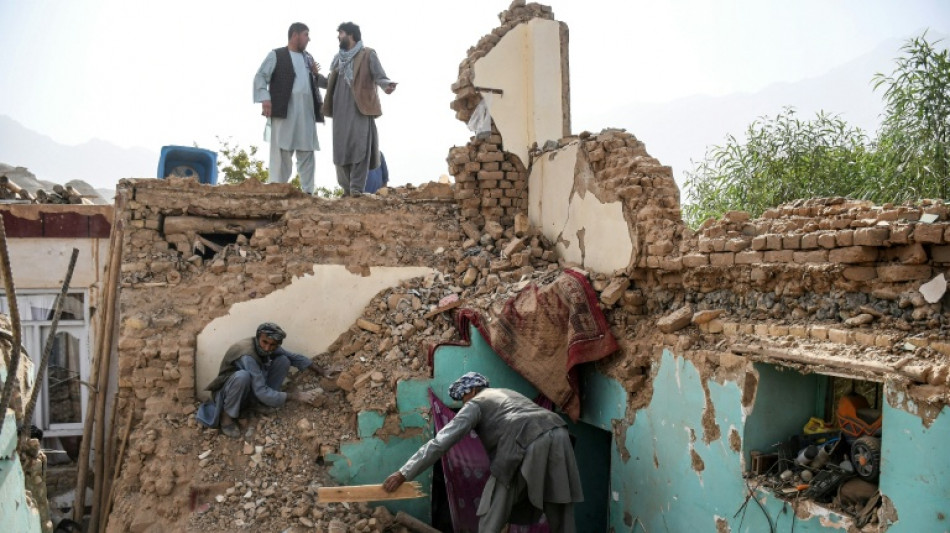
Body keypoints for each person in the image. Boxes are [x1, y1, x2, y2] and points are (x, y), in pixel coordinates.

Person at [383, 372, 583, 532]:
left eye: (463, 398)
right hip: (559, 433)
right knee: (560, 510)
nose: (463, 403)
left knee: (492, 508)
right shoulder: (507, 393)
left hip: (524, 440)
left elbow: (440, 443)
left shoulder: (476, 403)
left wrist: (404, 473)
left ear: (472, 391)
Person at [196, 323, 327, 438]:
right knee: (243, 377)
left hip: (251, 389)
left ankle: (262, 404)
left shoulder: (271, 346)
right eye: (265, 342)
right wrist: (296, 396)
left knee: (283, 360)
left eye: (272, 345)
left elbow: (293, 357)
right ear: (258, 337)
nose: (267, 348)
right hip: (229, 392)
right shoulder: (248, 355)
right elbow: (261, 390)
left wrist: (322, 371)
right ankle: (226, 417)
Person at [323, 22, 397, 197]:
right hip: (340, 109)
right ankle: (346, 189)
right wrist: (313, 76)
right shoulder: (337, 59)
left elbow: (380, 76)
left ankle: (356, 190)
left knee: (359, 149)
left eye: (340, 33)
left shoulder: (367, 54)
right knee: (341, 151)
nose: (338, 37)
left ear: (351, 35)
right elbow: (329, 82)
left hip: (360, 109)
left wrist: (387, 86)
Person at [254, 22, 327, 195]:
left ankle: (308, 192)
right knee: (282, 151)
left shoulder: (308, 58)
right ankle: (277, 191)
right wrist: (265, 99)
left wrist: (317, 75)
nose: (309, 39)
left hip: (306, 112)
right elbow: (260, 77)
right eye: (306, 35)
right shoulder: (276, 55)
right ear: (295, 35)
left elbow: (319, 82)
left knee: (307, 150)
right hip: (284, 111)